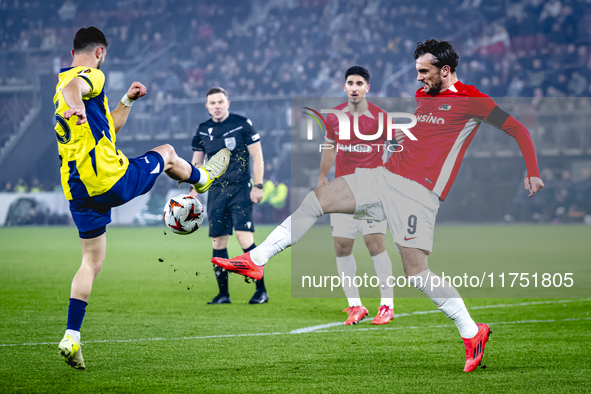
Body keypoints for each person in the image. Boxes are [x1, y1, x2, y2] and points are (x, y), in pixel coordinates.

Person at [212, 39, 544, 372]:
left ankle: (472, 333)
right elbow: (426, 132)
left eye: (424, 72)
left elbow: (517, 129)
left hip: (420, 193)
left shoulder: (472, 99)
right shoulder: (423, 97)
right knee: (317, 199)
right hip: (385, 176)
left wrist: (532, 171)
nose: (418, 78)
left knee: (416, 274)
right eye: (417, 71)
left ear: (445, 70)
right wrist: (407, 135)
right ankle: (256, 259)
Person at [55, 27, 230, 370]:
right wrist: (75, 105)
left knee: (91, 262)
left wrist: (127, 101)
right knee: (165, 152)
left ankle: (71, 336)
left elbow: (108, 128)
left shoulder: (64, 84)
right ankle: (203, 178)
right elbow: (75, 90)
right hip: (109, 179)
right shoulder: (88, 76)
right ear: (100, 52)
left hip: (78, 191)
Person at [318, 66, 394, 325]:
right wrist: (322, 176)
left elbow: (397, 148)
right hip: (343, 192)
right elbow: (329, 146)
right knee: (341, 247)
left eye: (359, 83)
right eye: (349, 82)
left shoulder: (381, 117)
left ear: (367, 88)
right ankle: (355, 306)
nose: (353, 87)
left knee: (375, 245)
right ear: (344, 87)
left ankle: (387, 305)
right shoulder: (334, 117)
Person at [190, 87, 267, 305]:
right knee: (218, 241)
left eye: (220, 102)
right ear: (207, 106)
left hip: (241, 188)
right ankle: (224, 294)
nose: (216, 106)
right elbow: (197, 163)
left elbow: (258, 157)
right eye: (212, 103)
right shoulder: (203, 130)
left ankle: (261, 291)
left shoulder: (242, 124)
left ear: (228, 103)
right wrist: (193, 190)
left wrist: (258, 185)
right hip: (215, 191)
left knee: (244, 238)